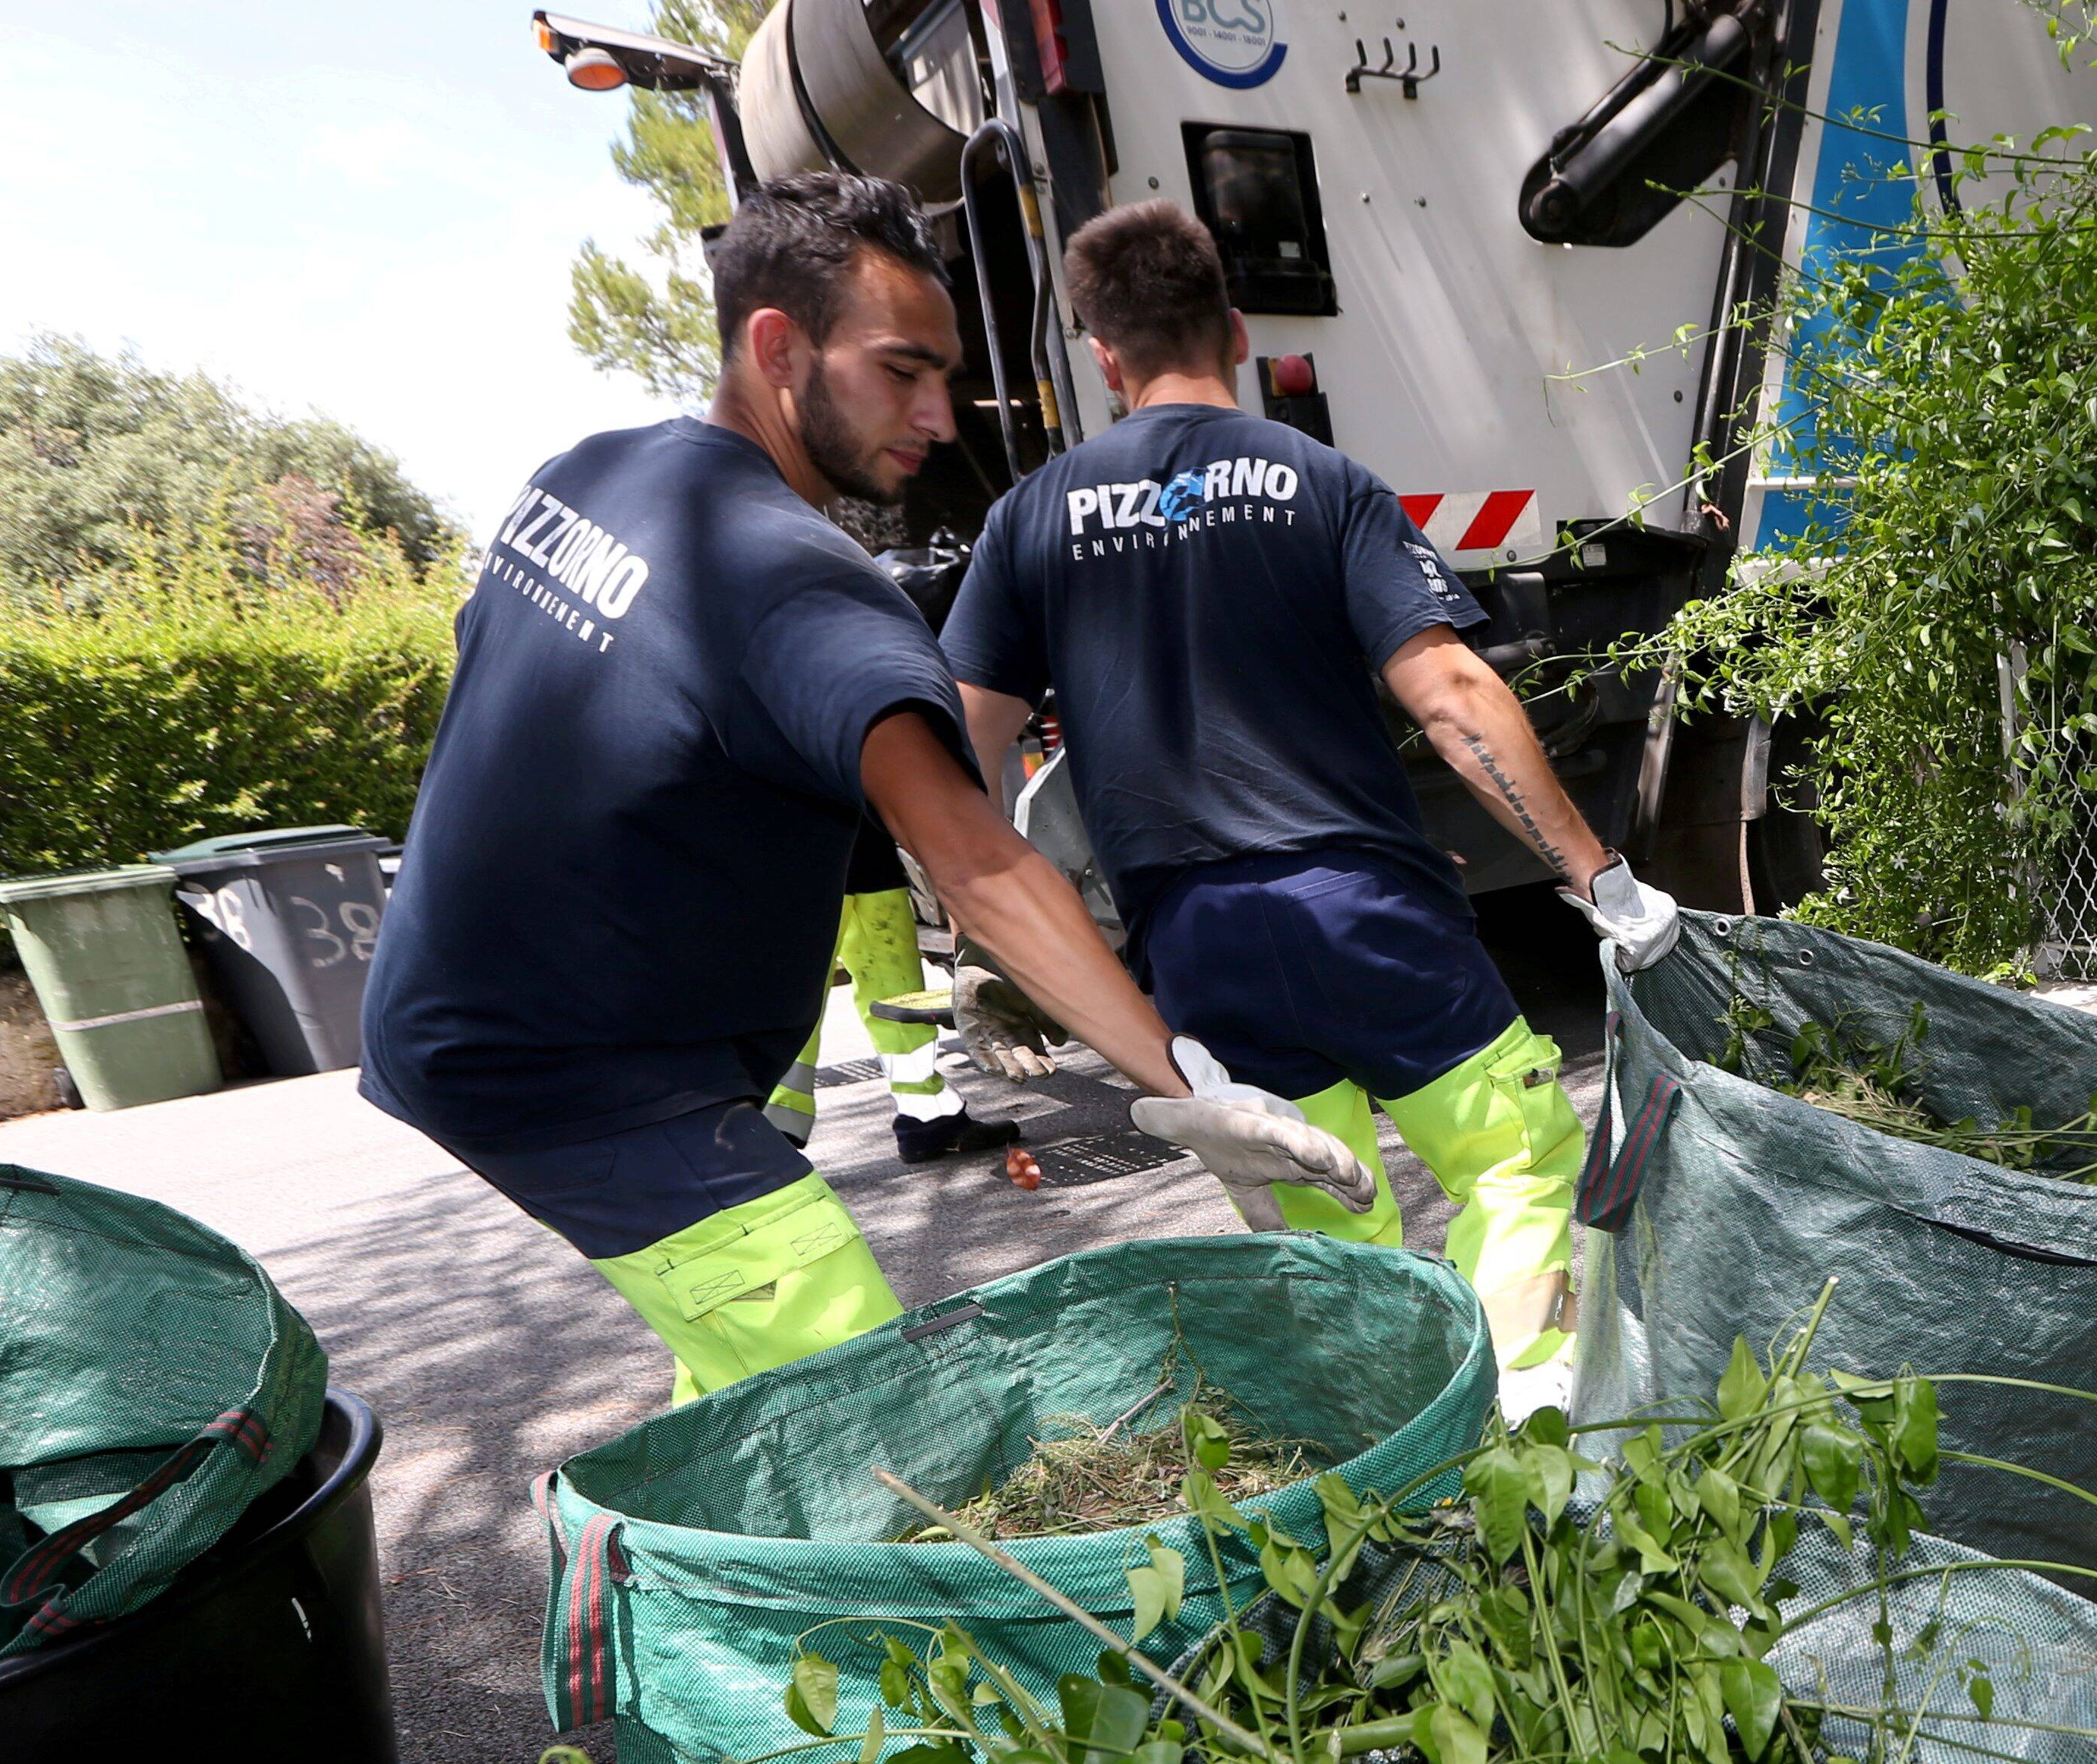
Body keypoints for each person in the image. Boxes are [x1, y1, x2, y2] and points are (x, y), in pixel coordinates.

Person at [359, 173, 1368, 1404]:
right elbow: (977, 863)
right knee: (878, 1431)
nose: (939, 415)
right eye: (901, 371)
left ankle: (676, 1561)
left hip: (463, 1008)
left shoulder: (587, 472)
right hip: (588, 1075)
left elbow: (491, 664)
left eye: (944, 373)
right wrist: (1187, 1086)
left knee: (738, 1396)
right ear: (776, 347)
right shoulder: (803, 587)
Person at [941, 200, 1682, 1416]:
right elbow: (1449, 693)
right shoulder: (1321, 482)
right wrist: (1600, 879)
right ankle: (1531, 1426)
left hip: (1193, 942)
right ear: (1232, 329)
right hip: (1367, 911)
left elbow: (961, 736)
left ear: (1103, 357)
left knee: (1321, 1221)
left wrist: (1000, 932)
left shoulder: (1032, 517)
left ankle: (1400, 1457)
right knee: (1517, 1160)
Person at [762, 823, 1026, 1164]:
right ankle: (768, 1122)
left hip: (858, 836)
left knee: (893, 979)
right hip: (794, 829)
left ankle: (927, 1111)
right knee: (795, 987)